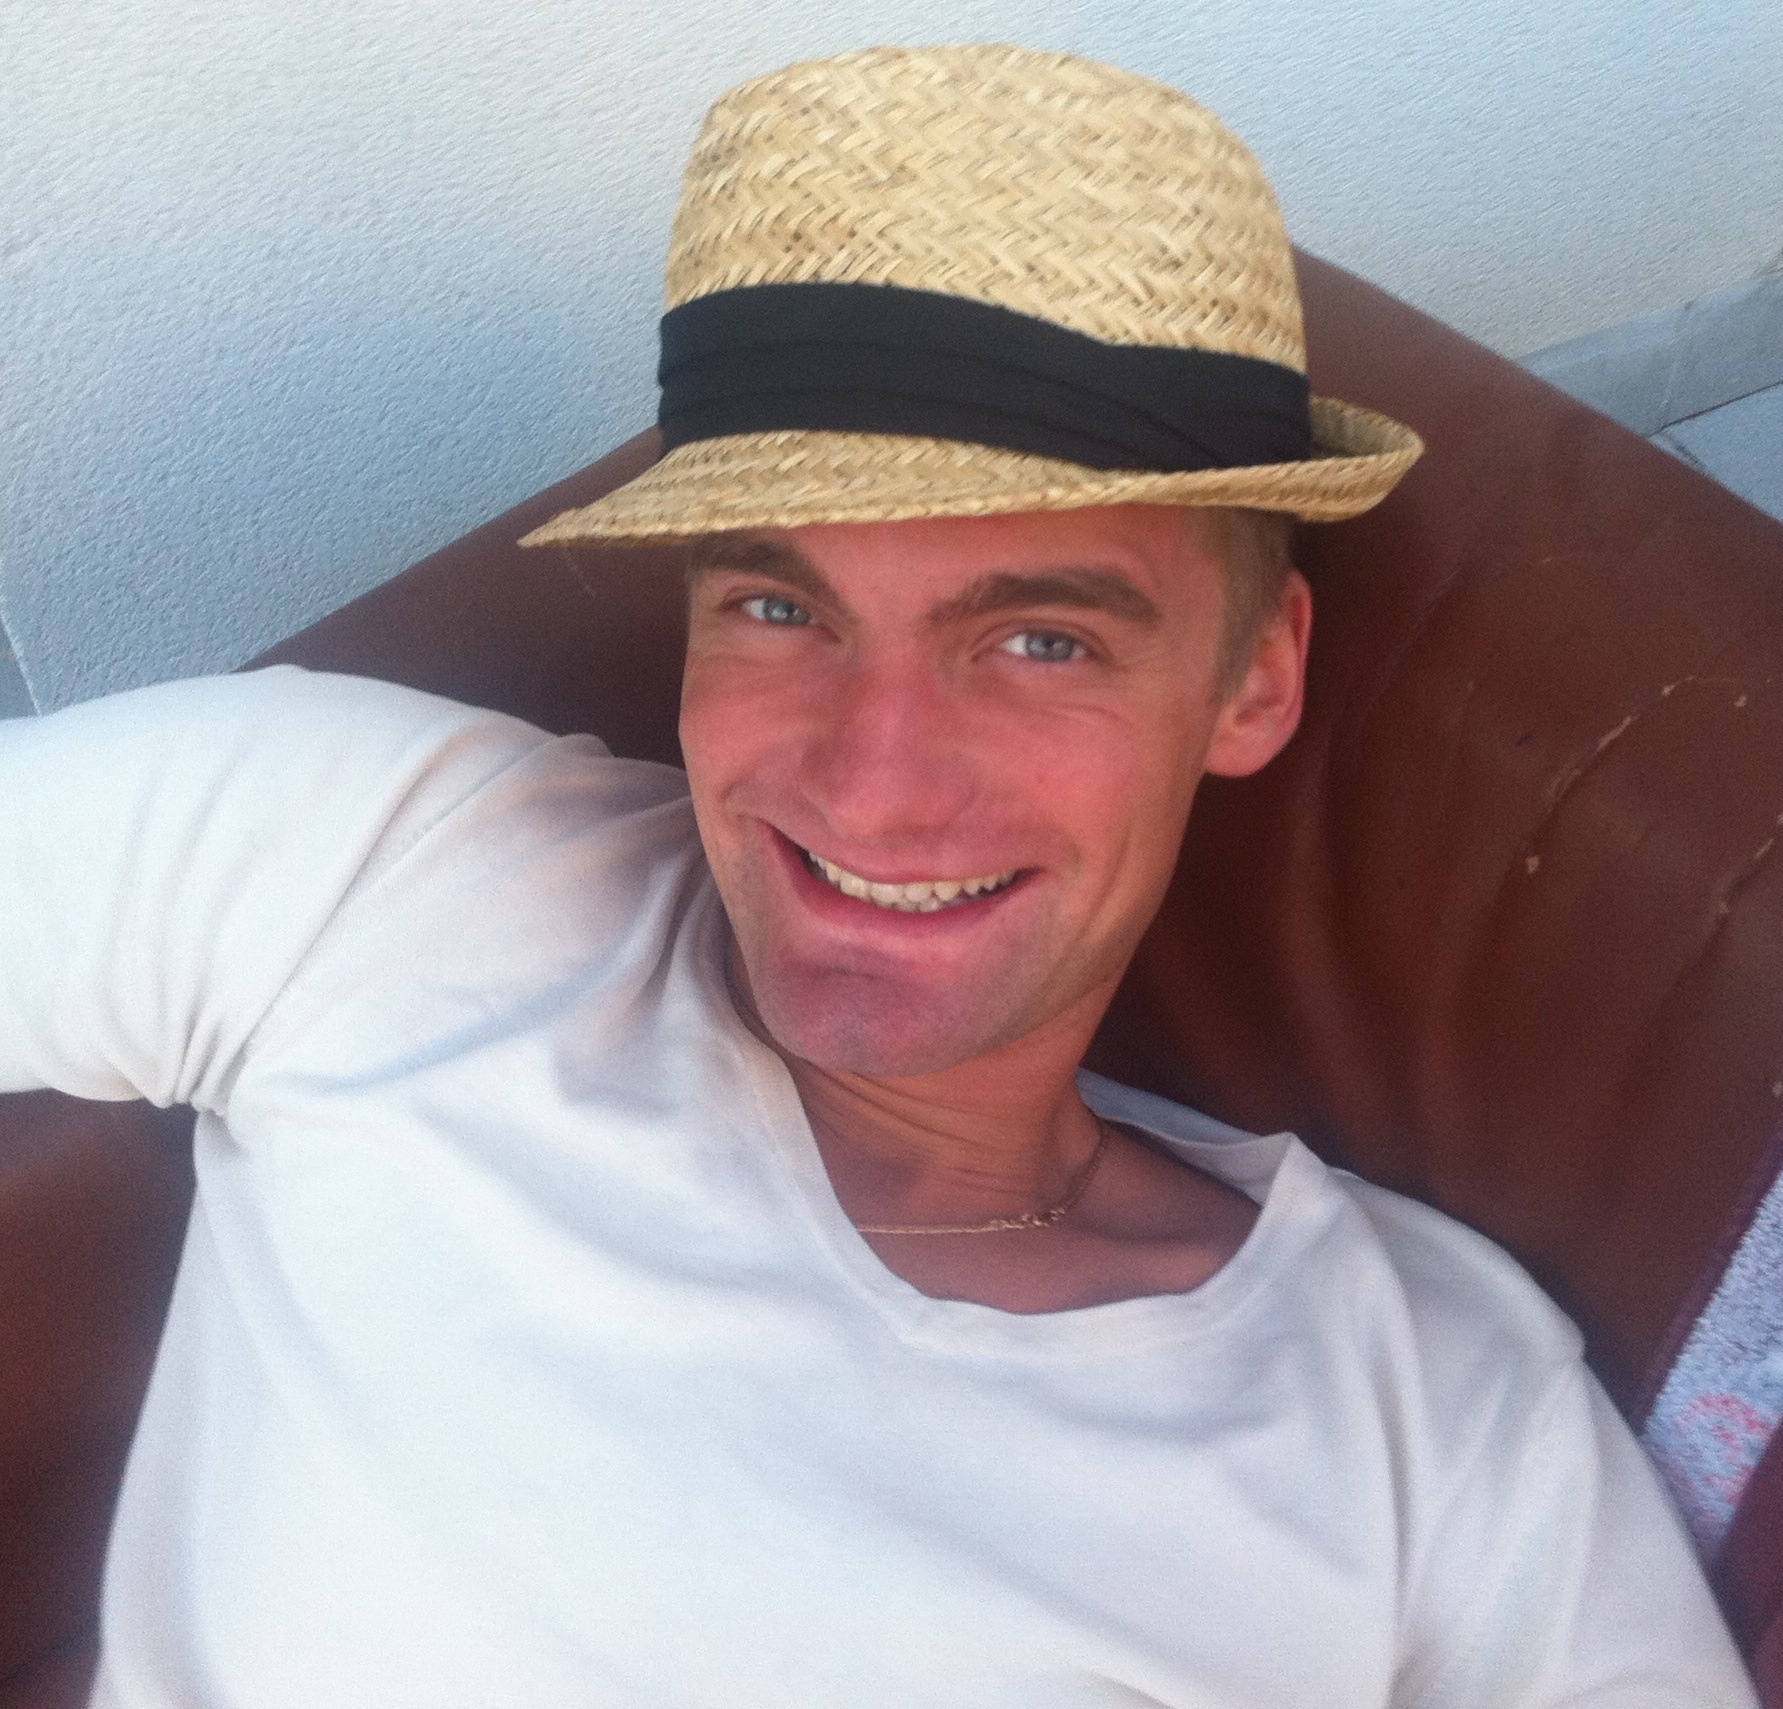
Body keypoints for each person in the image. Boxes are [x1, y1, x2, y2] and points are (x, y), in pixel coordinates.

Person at [0, 42, 1757, 1709]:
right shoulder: (364, 866)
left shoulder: (1429, 1410)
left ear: (1255, 677)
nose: (872, 783)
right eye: (782, 606)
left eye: (1043, 639)